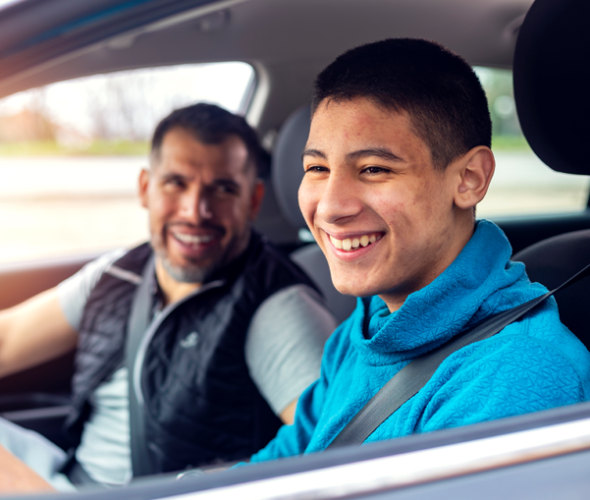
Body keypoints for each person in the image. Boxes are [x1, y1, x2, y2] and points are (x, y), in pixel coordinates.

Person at [246, 37, 590, 463]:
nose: (332, 208)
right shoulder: (364, 329)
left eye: (374, 169)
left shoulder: (516, 375)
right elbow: (285, 462)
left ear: (469, 179)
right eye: (317, 168)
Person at [0, 103, 336, 490]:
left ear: (253, 201)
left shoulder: (275, 305)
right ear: (146, 188)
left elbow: (331, 448)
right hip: (68, 476)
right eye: (176, 183)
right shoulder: (121, 272)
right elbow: (8, 341)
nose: (196, 211)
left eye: (223, 189)